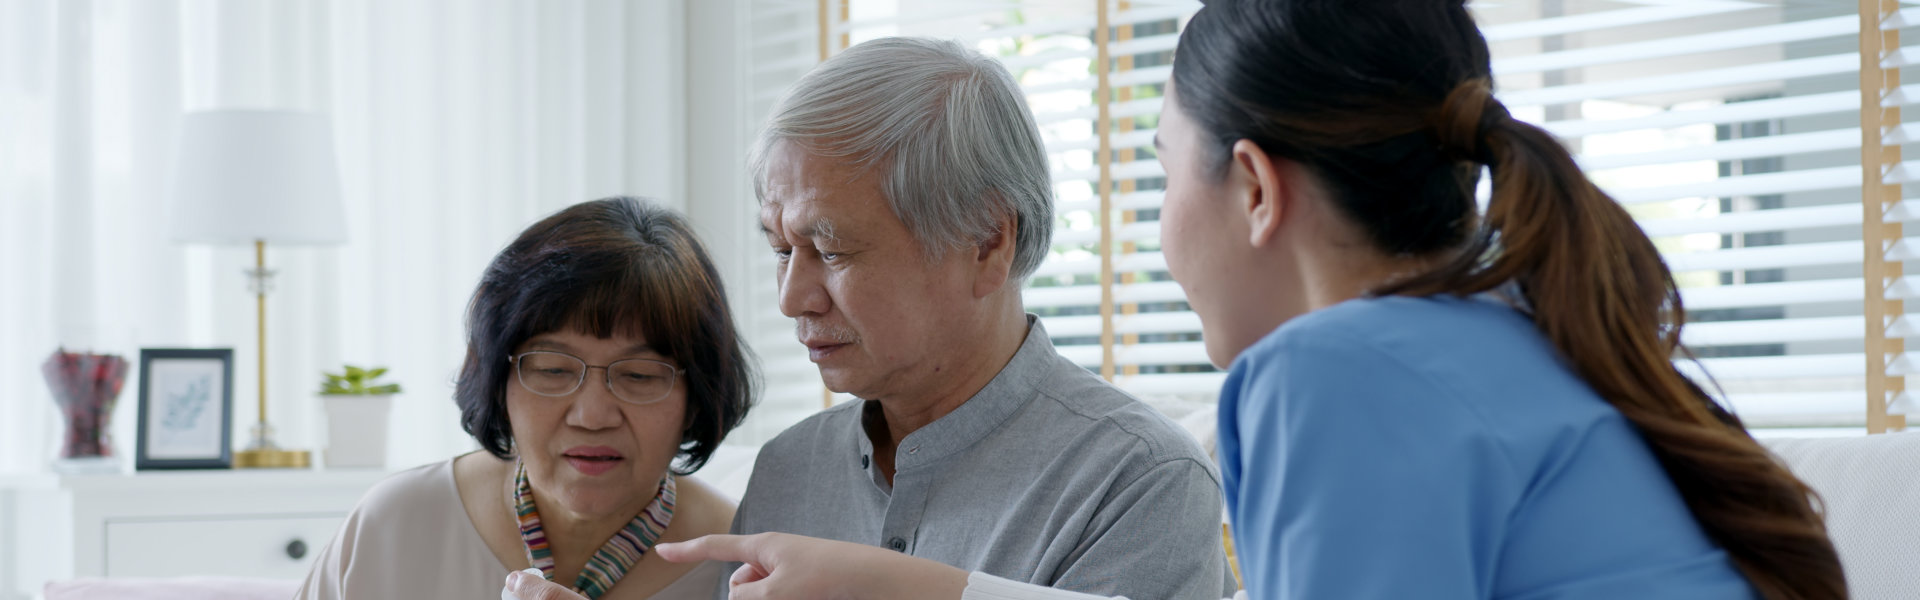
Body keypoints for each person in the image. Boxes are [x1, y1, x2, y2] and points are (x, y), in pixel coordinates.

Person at [511, 0, 1850, 599]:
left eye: (1165, 177)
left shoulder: (1331, 378)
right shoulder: (1509, 350)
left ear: (1254, 188)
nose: (792, 296)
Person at [730, 35, 1231, 599]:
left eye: (831, 250)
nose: (793, 298)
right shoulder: (787, 470)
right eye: (780, 250)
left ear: (987, 243)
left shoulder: (1140, 481)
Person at [299, 197, 755, 600]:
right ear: (499, 380)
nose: (592, 416)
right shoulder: (398, 524)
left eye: (638, 375)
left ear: (696, 396)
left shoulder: (744, 562)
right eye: (553, 370)